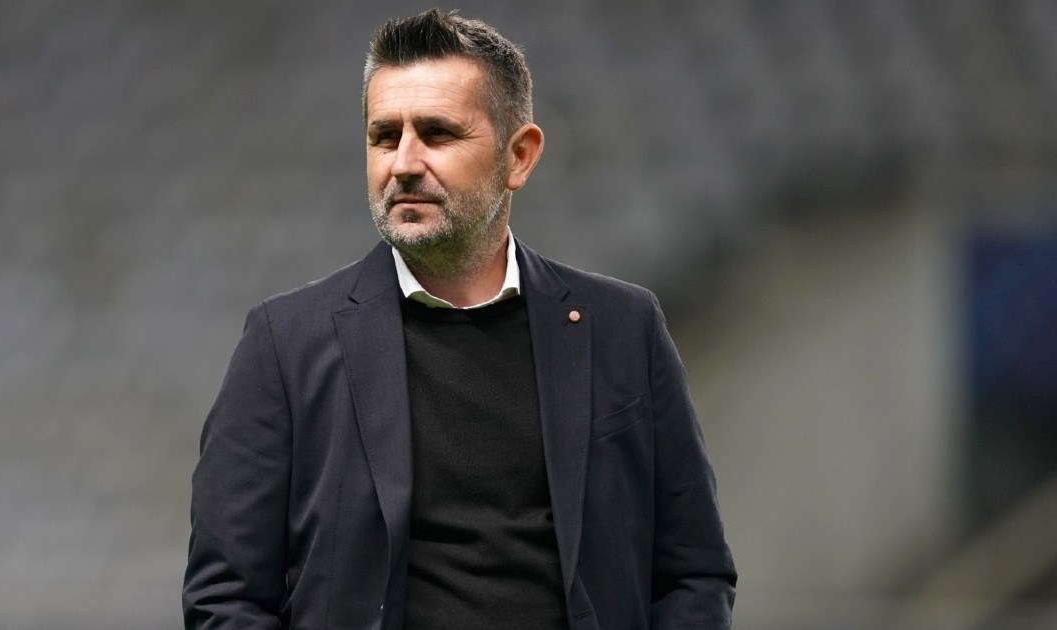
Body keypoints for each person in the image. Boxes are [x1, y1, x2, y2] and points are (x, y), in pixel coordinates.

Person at [182, 9, 736, 630]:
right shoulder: (284, 344)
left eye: (438, 133)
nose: (403, 163)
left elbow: (693, 573)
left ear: (519, 156)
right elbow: (225, 596)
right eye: (384, 136)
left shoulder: (624, 328)